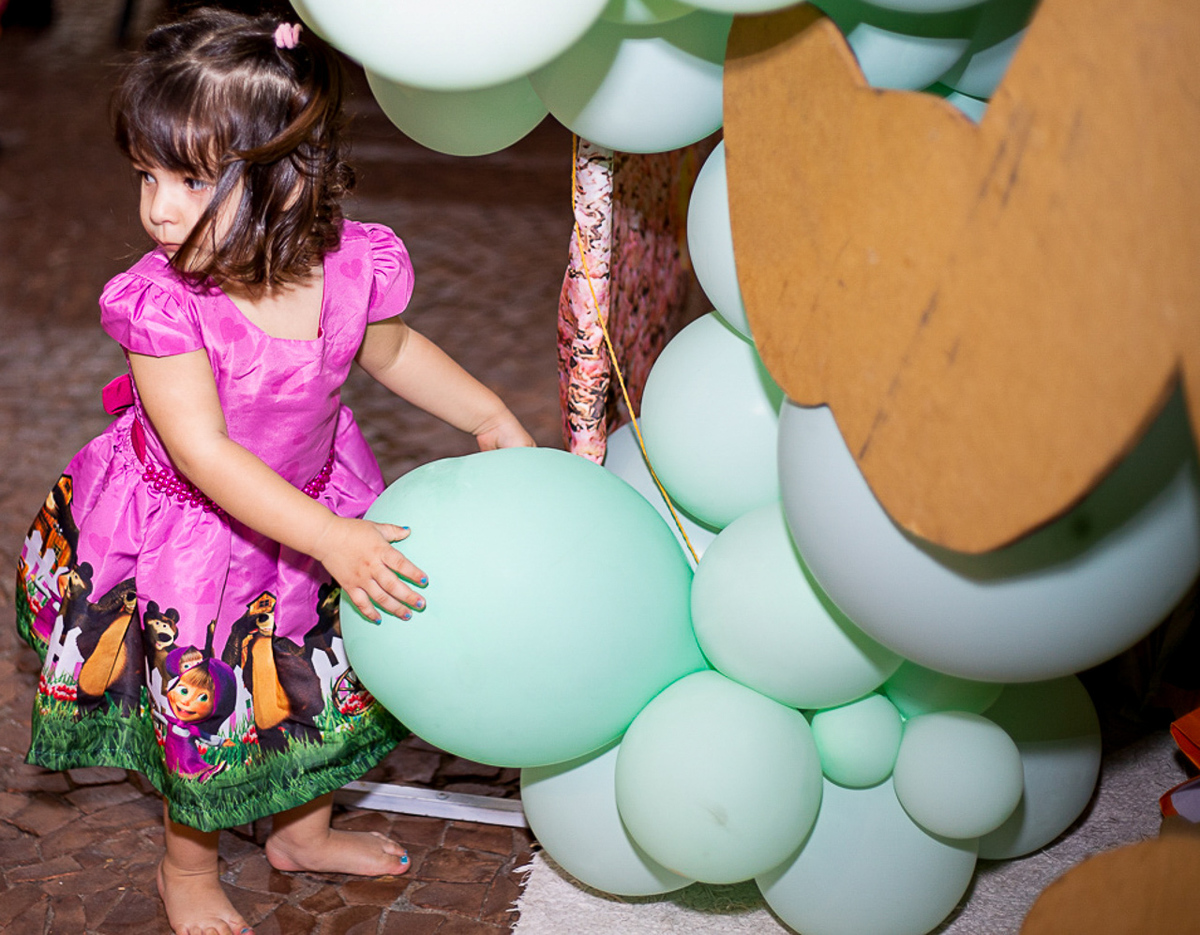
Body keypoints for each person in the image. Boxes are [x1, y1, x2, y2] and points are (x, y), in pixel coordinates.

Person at [13, 9, 535, 935]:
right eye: (146, 175)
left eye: (189, 180)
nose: (157, 209)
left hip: (314, 497)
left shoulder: (347, 267)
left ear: (290, 181)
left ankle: (303, 829)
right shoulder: (165, 306)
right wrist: (329, 537)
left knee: (312, 684)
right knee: (203, 708)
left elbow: (394, 350)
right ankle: (186, 865)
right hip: (194, 534)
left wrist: (488, 413)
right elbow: (204, 453)